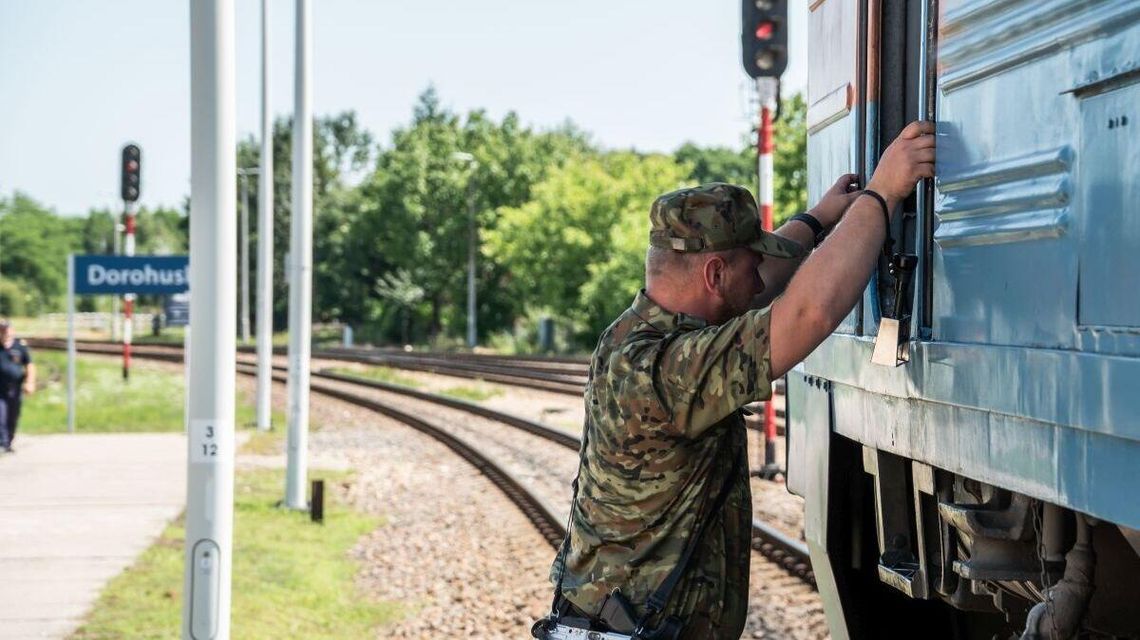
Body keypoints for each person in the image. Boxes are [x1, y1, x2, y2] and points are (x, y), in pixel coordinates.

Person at [536, 121, 936, 639]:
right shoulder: (667, 370)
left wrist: (817, 221)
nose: (761, 280)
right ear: (715, 275)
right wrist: (882, 195)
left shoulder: (636, 333)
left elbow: (759, 287)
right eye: (752, 264)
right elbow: (805, 314)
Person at [0, 319, 35, 453]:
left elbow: (30, 365)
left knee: (13, 417)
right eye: (2, 332)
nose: (5, 335)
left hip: (15, 389)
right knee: (0, 415)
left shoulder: (20, 347)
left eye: (7, 332)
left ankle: (8, 442)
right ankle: (2, 443)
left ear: (12, 332)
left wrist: (30, 382)